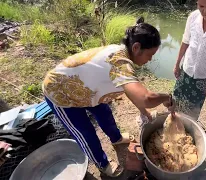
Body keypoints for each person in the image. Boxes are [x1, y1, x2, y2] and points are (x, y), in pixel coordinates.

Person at [42, 17, 174, 177]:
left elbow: (131, 93)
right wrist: (166, 97)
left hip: (88, 89)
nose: (150, 59)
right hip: (61, 92)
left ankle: (116, 138)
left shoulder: (123, 53)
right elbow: (145, 97)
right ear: (137, 47)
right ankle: (102, 162)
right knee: (85, 132)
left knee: (105, 114)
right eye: (150, 54)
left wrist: (144, 112)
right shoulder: (119, 64)